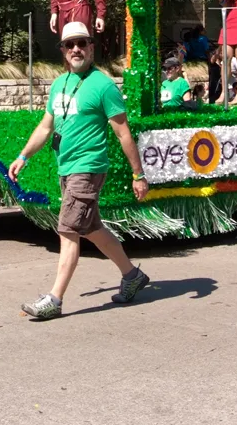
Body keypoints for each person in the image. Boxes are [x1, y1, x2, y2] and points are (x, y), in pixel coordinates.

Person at [9, 22, 150, 319]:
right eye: (70, 44)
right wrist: (23, 156)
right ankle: (132, 275)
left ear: (91, 47)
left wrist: (138, 175)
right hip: (66, 166)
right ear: (62, 50)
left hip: (88, 167)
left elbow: (123, 133)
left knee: (69, 229)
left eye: (82, 43)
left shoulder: (103, 86)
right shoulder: (59, 84)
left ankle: (54, 299)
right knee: (91, 228)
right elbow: (46, 126)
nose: (76, 49)